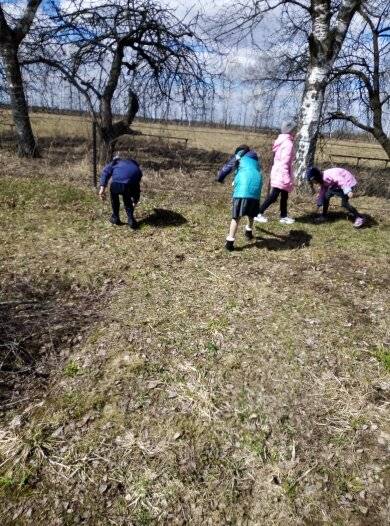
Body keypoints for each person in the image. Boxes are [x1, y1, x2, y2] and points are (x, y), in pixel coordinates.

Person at [216, 144, 263, 251]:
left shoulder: (239, 156)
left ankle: (230, 242)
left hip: (243, 188)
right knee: (251, 212)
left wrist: (219, 178)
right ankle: (248, 231)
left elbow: (226, 168)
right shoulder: (255, 160)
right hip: (256, 187)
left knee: (236, 217)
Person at [254, 120, 296, 225]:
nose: (295, 132)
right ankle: (258, 212)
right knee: (274, 196)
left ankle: (283, 216)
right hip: (282, 173)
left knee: (284, 195)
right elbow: (285, 162)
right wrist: (287, 178)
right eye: (294, 130)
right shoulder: (288, 144)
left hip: (278, 171)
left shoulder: (281, 141)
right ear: (290, 131)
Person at [99, 149, 143, 229]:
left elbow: (105, 172)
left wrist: (102, 188)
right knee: (127, 200)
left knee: (114, 199)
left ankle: (115, 217)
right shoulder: (136, 167)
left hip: (116, 184)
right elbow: (136, 186)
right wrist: (135, 200)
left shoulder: (115, 162)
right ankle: (131, 219)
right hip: (129, 185)